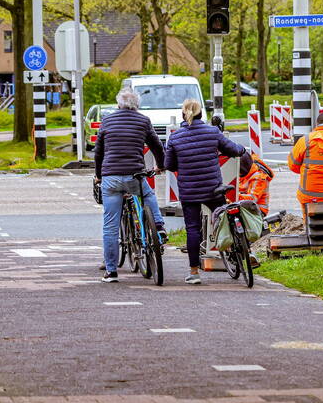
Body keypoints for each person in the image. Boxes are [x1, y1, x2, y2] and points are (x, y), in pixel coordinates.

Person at [164, 98, 246, 285]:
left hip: (189, 190)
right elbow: (232, 149)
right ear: (202, 114)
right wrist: (241, 150)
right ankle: (239, 252)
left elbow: (169, 165)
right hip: (213, 189)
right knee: (224, 219)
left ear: (182, 115)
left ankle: (194, 273)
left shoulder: (175, 137)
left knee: (193, 229)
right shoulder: (212, 132)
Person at [94, 87, 167, 284]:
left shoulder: (107, 120)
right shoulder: (143, 120)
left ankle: (111, 271)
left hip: (111, 178)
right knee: (148, 195)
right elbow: (156, 145)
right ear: (137, 105)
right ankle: (158, 227)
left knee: (110, 225)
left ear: (119, 104)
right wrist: (161, 165)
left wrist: (99, 176)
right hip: (135, 175)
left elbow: (99, 152)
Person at [238, 151, 274, 216]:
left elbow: (252, 199)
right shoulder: (246, 173)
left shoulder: (259, 177)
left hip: (258, 210)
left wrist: (235, 196)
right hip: (246, 207)